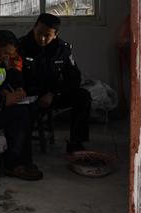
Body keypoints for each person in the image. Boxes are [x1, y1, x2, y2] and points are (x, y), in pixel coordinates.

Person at [19, 12, 92, 153]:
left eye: (47, 35)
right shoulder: (20, 46)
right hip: (27, 95)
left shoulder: (62, 49)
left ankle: (76, 144)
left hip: (51, 95)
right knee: (20, 114)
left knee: (83, 96)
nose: (42, 38)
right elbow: (14, 76)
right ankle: (20, 150)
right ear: (34, 27)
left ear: (56, 34)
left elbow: (74, 78)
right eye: (39, 33)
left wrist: (53, 93)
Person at [0, 29, 43, 181]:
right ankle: (13, 164)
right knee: (20, 115)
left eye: (10, 55)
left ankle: (23, 160)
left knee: (28, 109)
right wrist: (3, 101)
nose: (7, 58)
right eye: (5, 53)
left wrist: (8, 91)